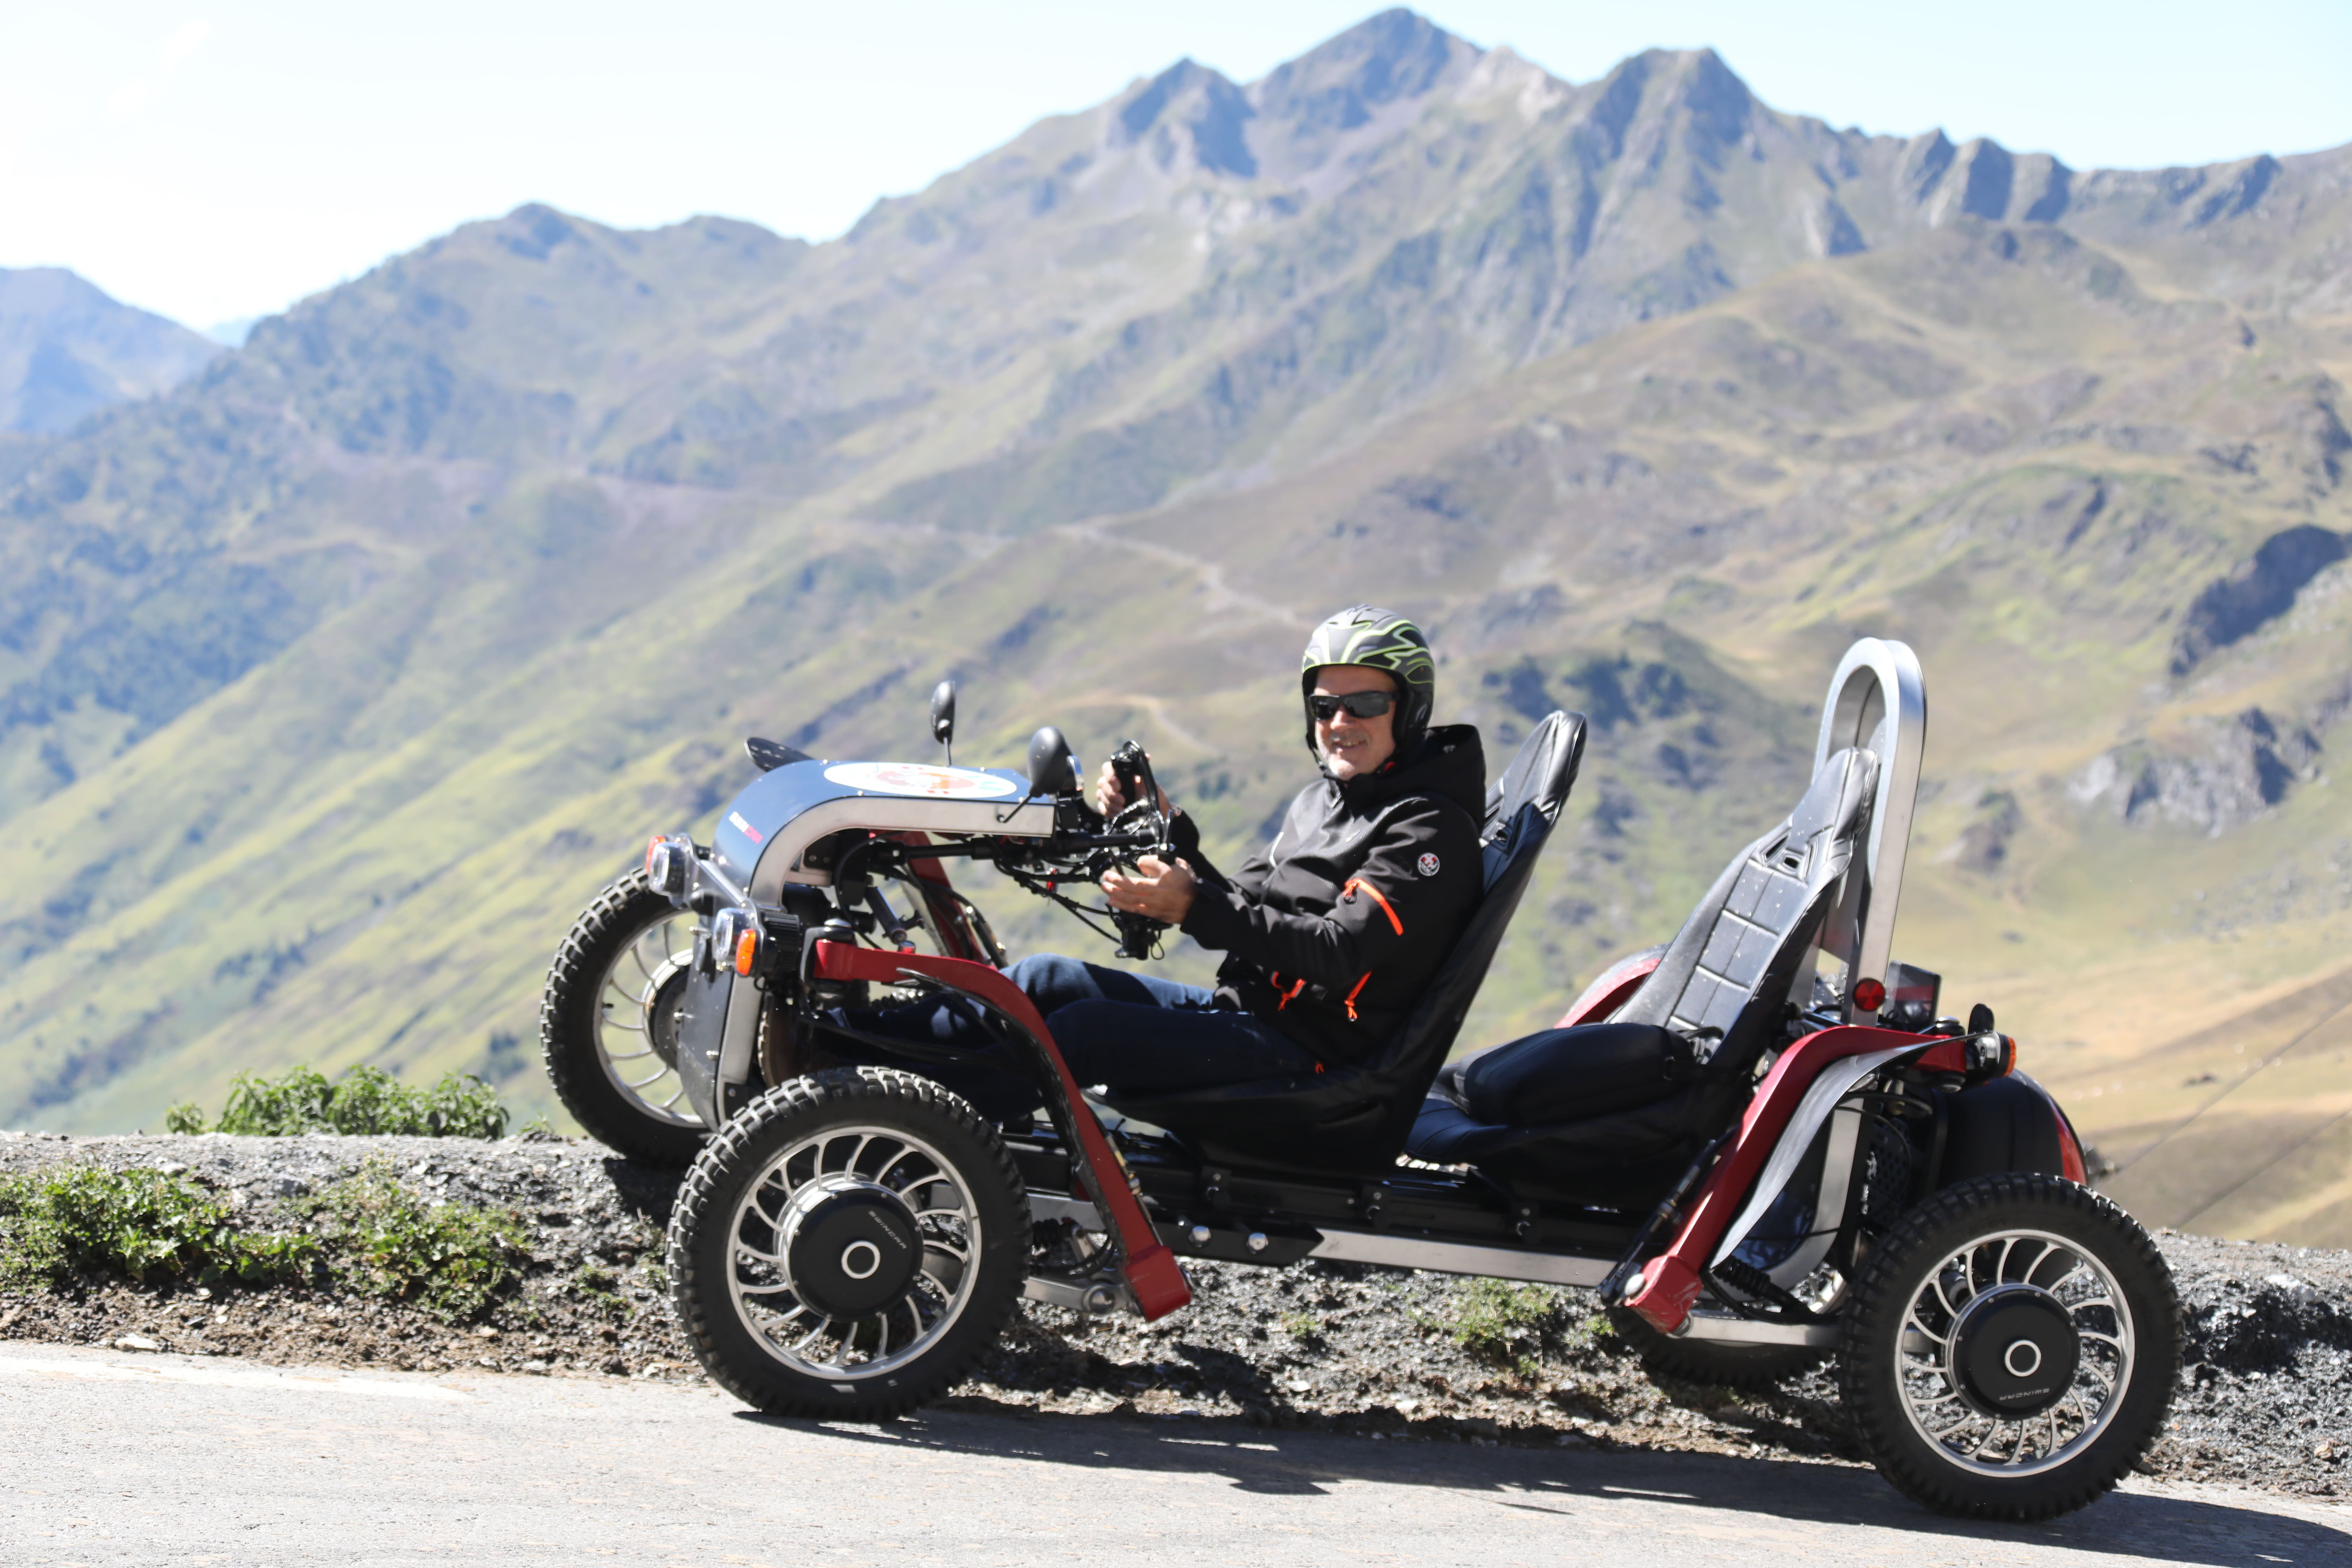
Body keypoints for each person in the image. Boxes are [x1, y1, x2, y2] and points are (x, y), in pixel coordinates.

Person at [823, 605, 1486, 1120]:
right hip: (1247, 1016)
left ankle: (894, 1118)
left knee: (1086, 1033)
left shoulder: (1427, 829)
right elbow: (1242, 900)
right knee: (1043, 978)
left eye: (1365, 704)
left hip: (1313, 1059)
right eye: (1324, 706)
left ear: (1411, 708)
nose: (1341, 721)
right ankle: (849, 1047)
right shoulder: (1327, 800)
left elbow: (1339, 952)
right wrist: (1165, 825)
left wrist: (1192, 906)